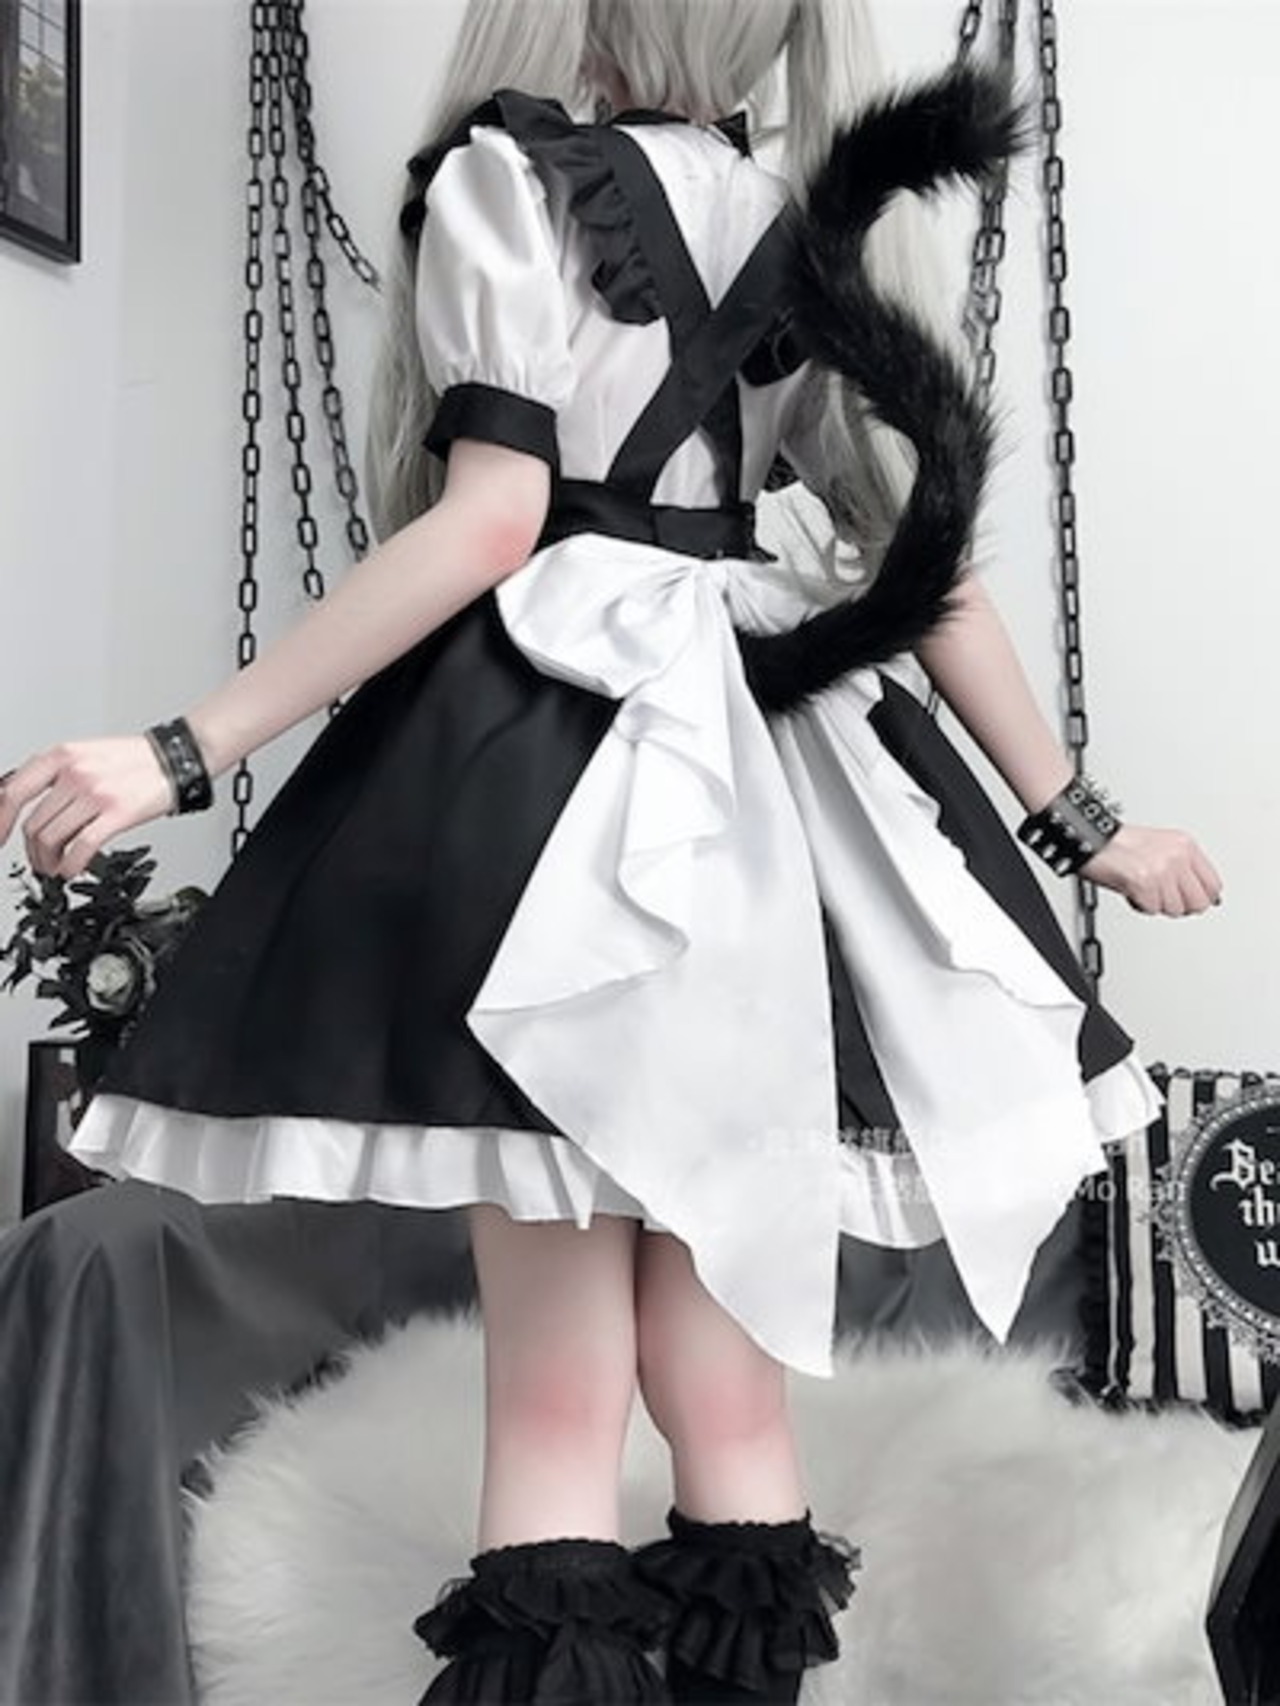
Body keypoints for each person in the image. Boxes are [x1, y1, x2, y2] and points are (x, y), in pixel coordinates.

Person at [0, 1, 1222, 1701]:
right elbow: (921, 567)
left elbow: (494, 522)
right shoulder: (797, 219)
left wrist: (186, 747)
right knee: (730, 1392)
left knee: (556, 1401)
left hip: (546, 786)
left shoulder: (514, 179)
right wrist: (1085, 824)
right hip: (767, 794)